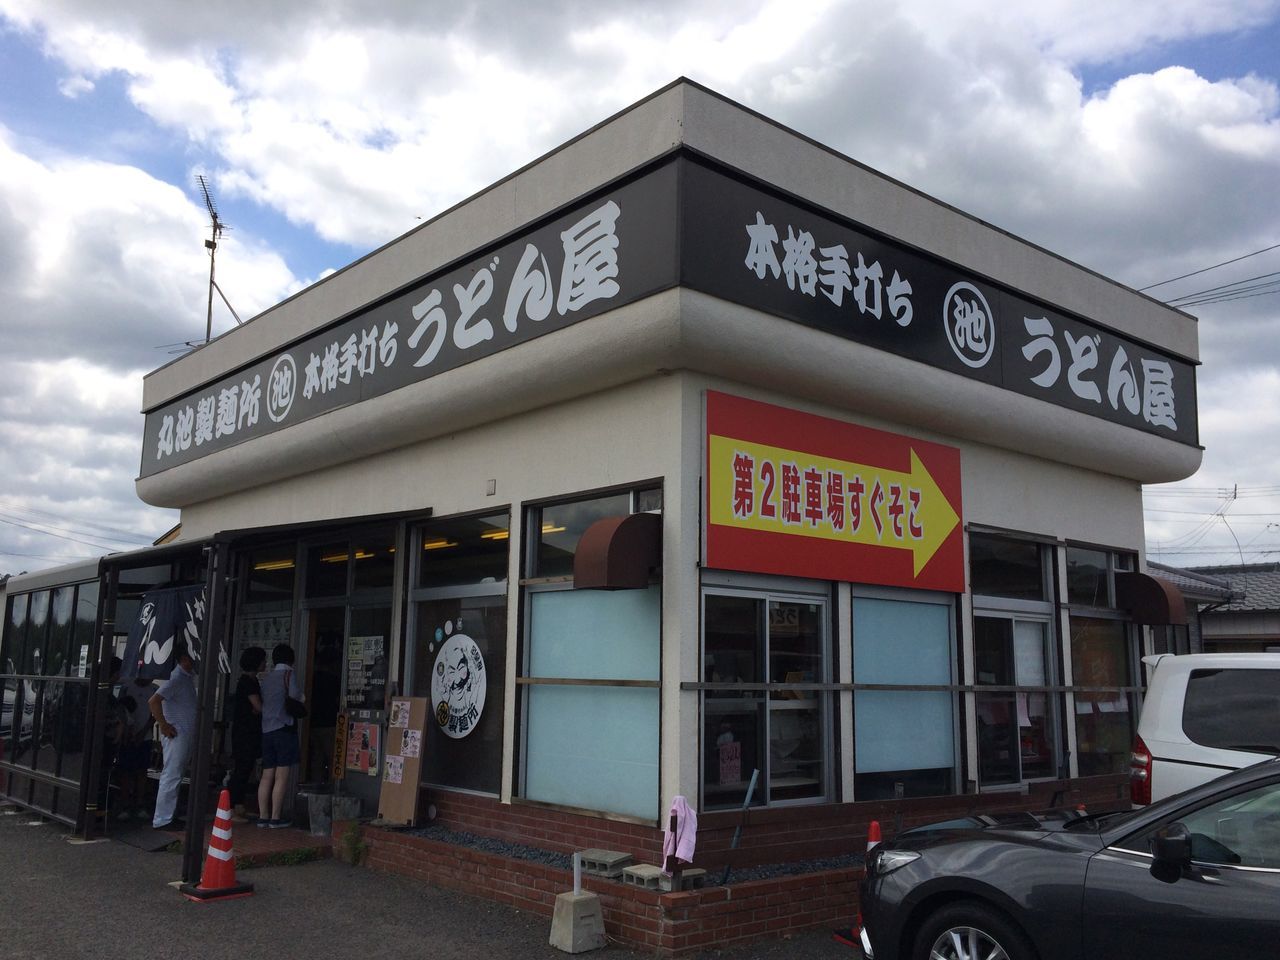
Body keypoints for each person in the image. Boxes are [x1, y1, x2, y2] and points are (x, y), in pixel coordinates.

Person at [149, 642, 197, 831]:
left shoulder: (186, 678)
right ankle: (163, 819)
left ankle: (168, 815)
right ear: (184, 659)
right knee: (172, 774)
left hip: (183, 733)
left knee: (175, 773)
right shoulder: (176, 678)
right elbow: (153, 701)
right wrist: (164, 725)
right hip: (176, 733)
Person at [257, 643, 303, 829]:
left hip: (266, 730)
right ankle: (275, 817)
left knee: (267, 775)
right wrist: (303, 697)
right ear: (290, 658)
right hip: (284, 728)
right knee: (282, 776)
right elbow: (294, 695)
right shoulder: (288, 675)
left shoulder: (266, 678)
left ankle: (263, 816)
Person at [228, 646, 266, 822]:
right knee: (243, 769)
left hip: (244, 731)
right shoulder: (248, 682)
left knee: (244, 768)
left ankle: (238, 805)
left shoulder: (248, 680)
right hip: (246, 733)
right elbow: (258, 707)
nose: (265, 663)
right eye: (263, 660)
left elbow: (255, 709)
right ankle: (233, 806)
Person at [115, 672, 157, 821]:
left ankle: (140, 804)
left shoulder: (154, 689)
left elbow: (155, 715)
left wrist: (143, 732)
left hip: (145, 737)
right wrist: (126, 732)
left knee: (142, 771)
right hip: (127, 736)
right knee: (125, 772)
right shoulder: (127, 686)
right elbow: (120, 709)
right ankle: (125, 804)